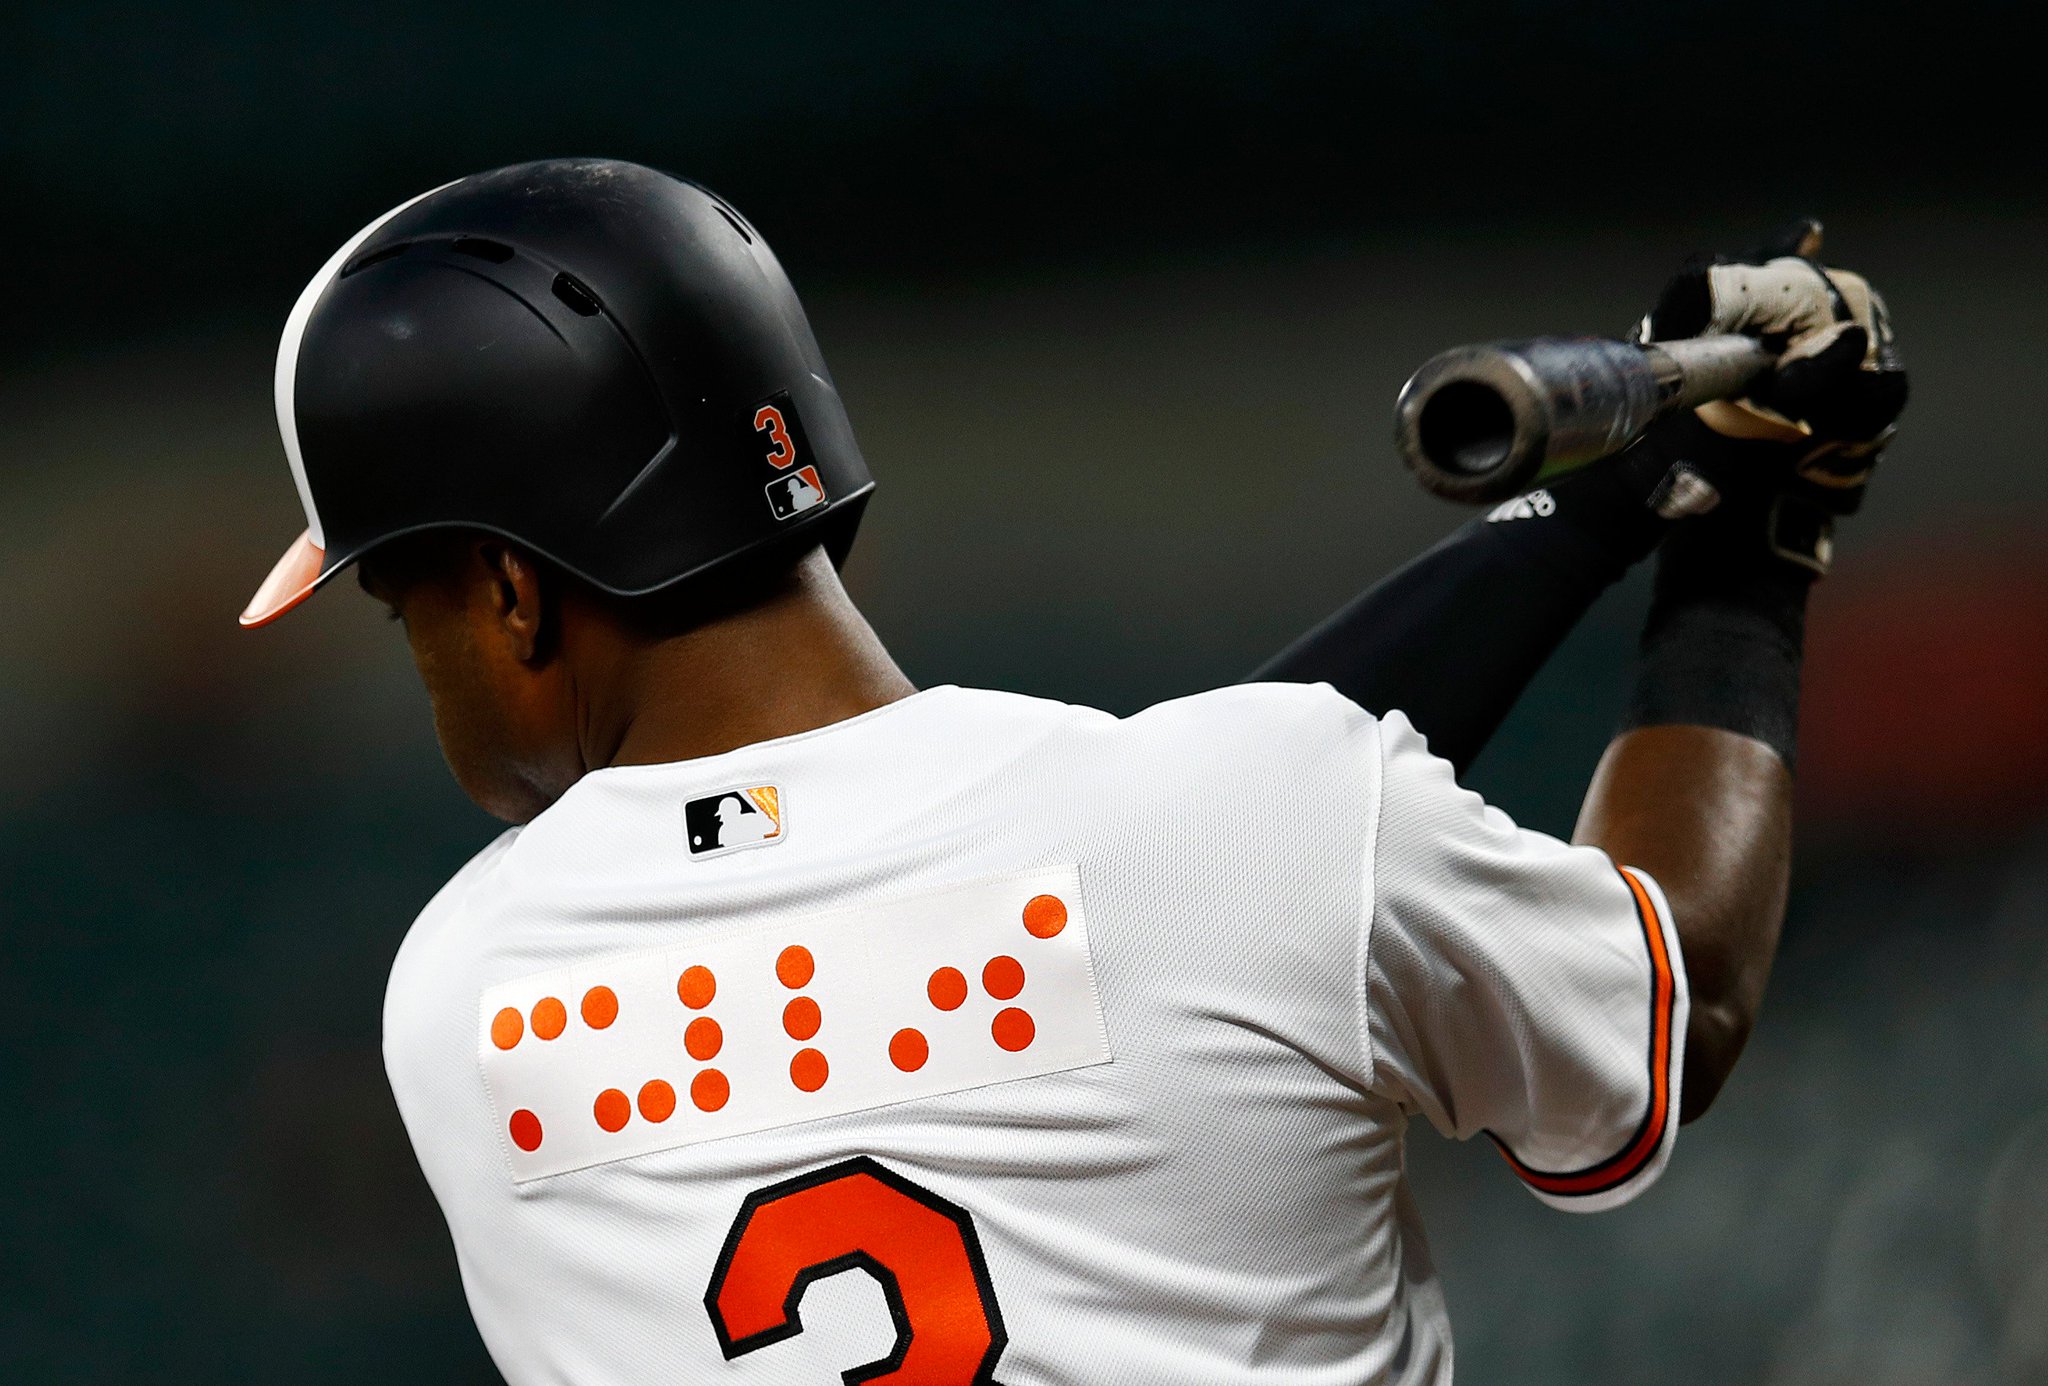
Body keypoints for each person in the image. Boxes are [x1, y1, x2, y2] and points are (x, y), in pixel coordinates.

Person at [239, 160, 1904, 1384]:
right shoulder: (1248, 827)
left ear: (518, 588)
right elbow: (1659, 997)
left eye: (411, 602)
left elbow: (1163, 851)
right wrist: (1751, 543)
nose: (428, 652)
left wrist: (1606, 509)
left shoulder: (464, 996)